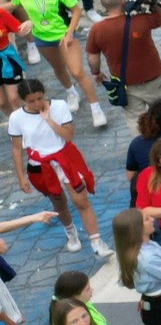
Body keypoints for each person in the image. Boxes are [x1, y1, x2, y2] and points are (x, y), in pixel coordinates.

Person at [8, 77, 109, 255]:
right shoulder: (16, 118)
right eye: (31, 101)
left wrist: (48, 120)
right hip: (40, 165)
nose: (37, 103)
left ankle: (96, 241)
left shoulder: (60, 106)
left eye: (40, 98)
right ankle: (71, 232)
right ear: (23, 100)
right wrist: (21, 176)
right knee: (58, 202)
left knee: (81, 201)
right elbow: (17, 148)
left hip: (65, 159)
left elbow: (68, 136)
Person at [84, 0, 161, 116]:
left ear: (104, 5)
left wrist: (96, 73)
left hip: (125, 83)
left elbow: (93, 57)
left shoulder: (97, 29)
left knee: (136, 120)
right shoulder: (141, 20)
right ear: (122, 0)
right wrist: (153, 3)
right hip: (153, 78)